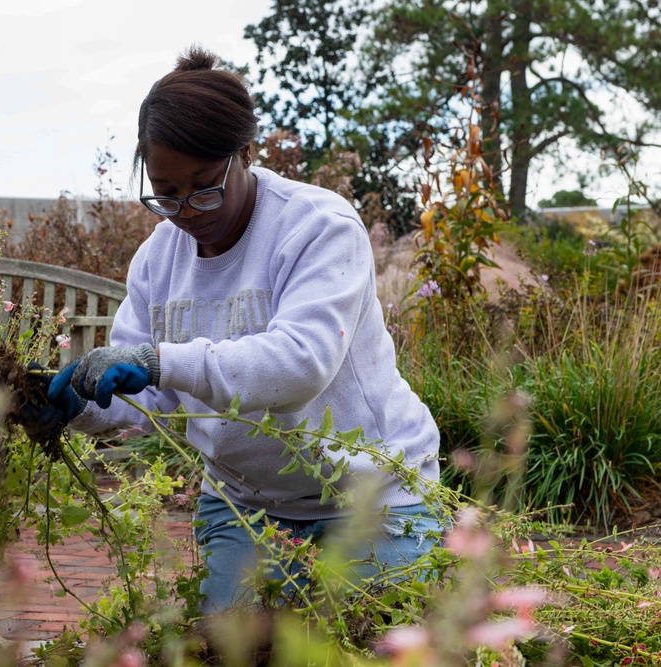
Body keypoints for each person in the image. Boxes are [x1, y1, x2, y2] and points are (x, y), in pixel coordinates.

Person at [36, 45, 443, 614]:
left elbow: (300, 365)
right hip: (246, 505)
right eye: (167, 192)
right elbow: (142, 397)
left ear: (245, 153)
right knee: (228, 650)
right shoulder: (157, 261)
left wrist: (159, 360)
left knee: (375, 644)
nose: (188, 209)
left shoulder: (318, 229)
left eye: (204, 184)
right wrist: (74, 404)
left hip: (374, 493)